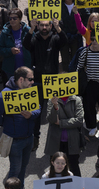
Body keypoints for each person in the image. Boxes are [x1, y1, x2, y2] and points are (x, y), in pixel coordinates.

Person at [0, 66, 40, 189]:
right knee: (15, 170)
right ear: (21, 79)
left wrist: (32, 114)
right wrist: (6, 125)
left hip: (29, 138)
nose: (32, 82)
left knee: (23, 167)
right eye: (30, 79)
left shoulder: (29, 91)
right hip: (15, 141)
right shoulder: (5, 96)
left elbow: (38, 109)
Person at [23, 17, 67, 149]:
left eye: (46, 25)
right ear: (38, 26)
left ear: (50, 26)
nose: (44, 28)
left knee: (56, 109)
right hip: (37, 80)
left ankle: (59, 138)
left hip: (53, 80)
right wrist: (31, 28)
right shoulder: (34, 38)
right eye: (41, 25)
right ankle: (35, 137)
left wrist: (58, 27)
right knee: (37, 111)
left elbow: (64, 41)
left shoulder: (55, 38)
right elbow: (26, 44)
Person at [45, 91, 83, 177]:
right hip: (55, 141)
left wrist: (61, 123)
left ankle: (77, 188)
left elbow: (79, 120)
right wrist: (55, 106)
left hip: (72, 141)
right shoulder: (52, 99)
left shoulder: (76, 100)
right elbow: (51, 119)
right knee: (54, 168)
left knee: (74, 166)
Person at [0, 9, 32, 85]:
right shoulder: (5, 32)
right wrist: (10, 50)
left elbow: (35, 46)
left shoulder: (27, 31)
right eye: (10, 18)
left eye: (15, 18)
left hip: (26, 67)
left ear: (20, 19)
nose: (12, 20)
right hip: (11, 69)